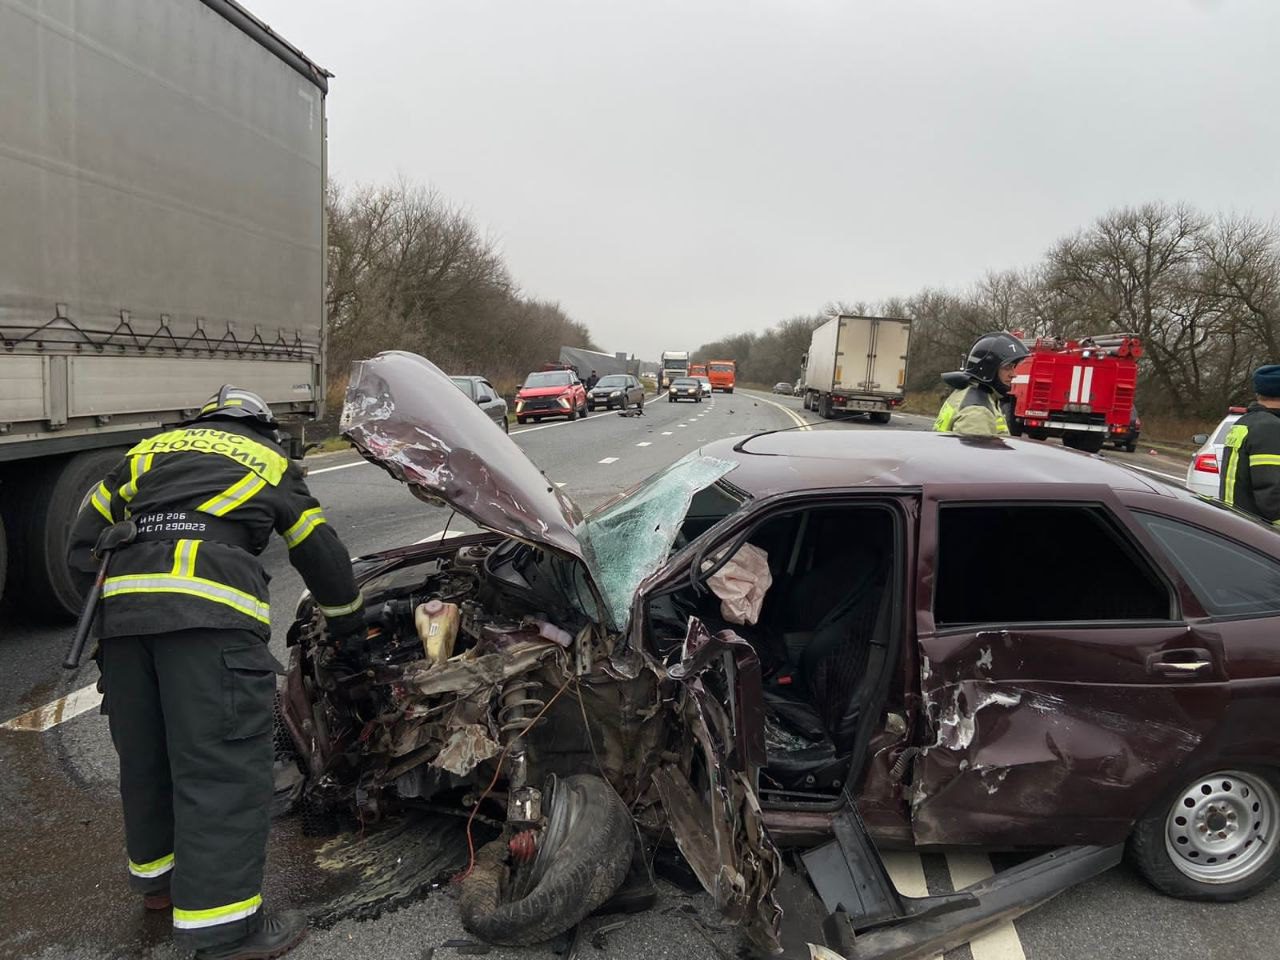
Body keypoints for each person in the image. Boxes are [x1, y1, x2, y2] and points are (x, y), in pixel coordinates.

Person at [68, 386, 365, 960]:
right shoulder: (269, 459)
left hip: (124, 622)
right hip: (209, 622)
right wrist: (348, 624)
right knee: (221, 769)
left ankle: (159, 886)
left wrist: (113, 616)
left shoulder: (146, 452)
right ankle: (225, 932)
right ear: (263, 427)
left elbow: (82, 545)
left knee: (147, 760)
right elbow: (319, 553)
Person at [934, 332, 1030, 437]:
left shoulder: (970, 393)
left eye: (1013, 367)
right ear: (988, 369)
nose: (1013, 374)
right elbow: (976, 447)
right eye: (1007, 368)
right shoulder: (978, 412)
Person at [1220, 364, 1280, 524]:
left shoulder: (1245, 422)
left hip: (1237, 522)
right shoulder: (1270, 428)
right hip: (1259, 529)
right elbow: (1272, 493)